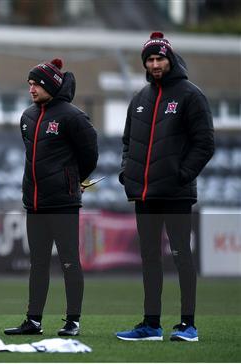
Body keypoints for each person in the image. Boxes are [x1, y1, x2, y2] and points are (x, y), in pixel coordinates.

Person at [116, 32, 214, 342]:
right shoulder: (139, 99)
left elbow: (205, 143)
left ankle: (188, 325)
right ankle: (151, 325)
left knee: (182, 255)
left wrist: (182, 175)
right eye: (150, 59)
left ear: (170, 60)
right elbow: (127, 142)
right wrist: (126, 172)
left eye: (160, 58)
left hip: (176, 194)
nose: (155, 64)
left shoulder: (190, 95)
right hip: (144, 195)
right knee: (149, 259)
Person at [4, 58, 98, 336]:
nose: (31, 89)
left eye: (37, 84)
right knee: (38, 263)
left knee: (69, 260)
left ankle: (73, 321)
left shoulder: (73, 116)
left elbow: (90, 155)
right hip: (34, 202)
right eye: (30, 84)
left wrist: (73, 180)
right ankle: (33, 320)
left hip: (63, 201)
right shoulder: (27, 117)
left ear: (51, 86)